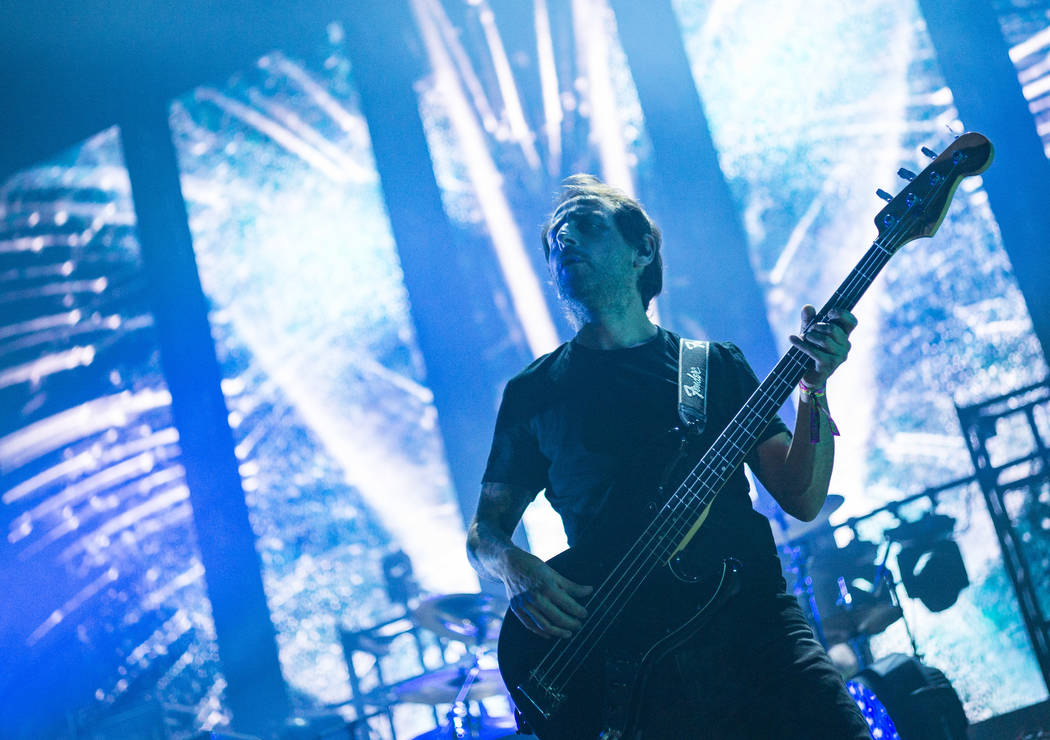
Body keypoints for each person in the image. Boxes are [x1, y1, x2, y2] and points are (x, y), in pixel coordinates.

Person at [466, 175, 871, 738]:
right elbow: (485, 534)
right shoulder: (534, 393)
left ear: (643, 250)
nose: (565, 239)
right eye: (556, 237)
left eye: (585, 223)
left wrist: (814, 390)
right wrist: (514, 569)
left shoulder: (714, 367)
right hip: (634, 669)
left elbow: (802, 497)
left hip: (757, 634)